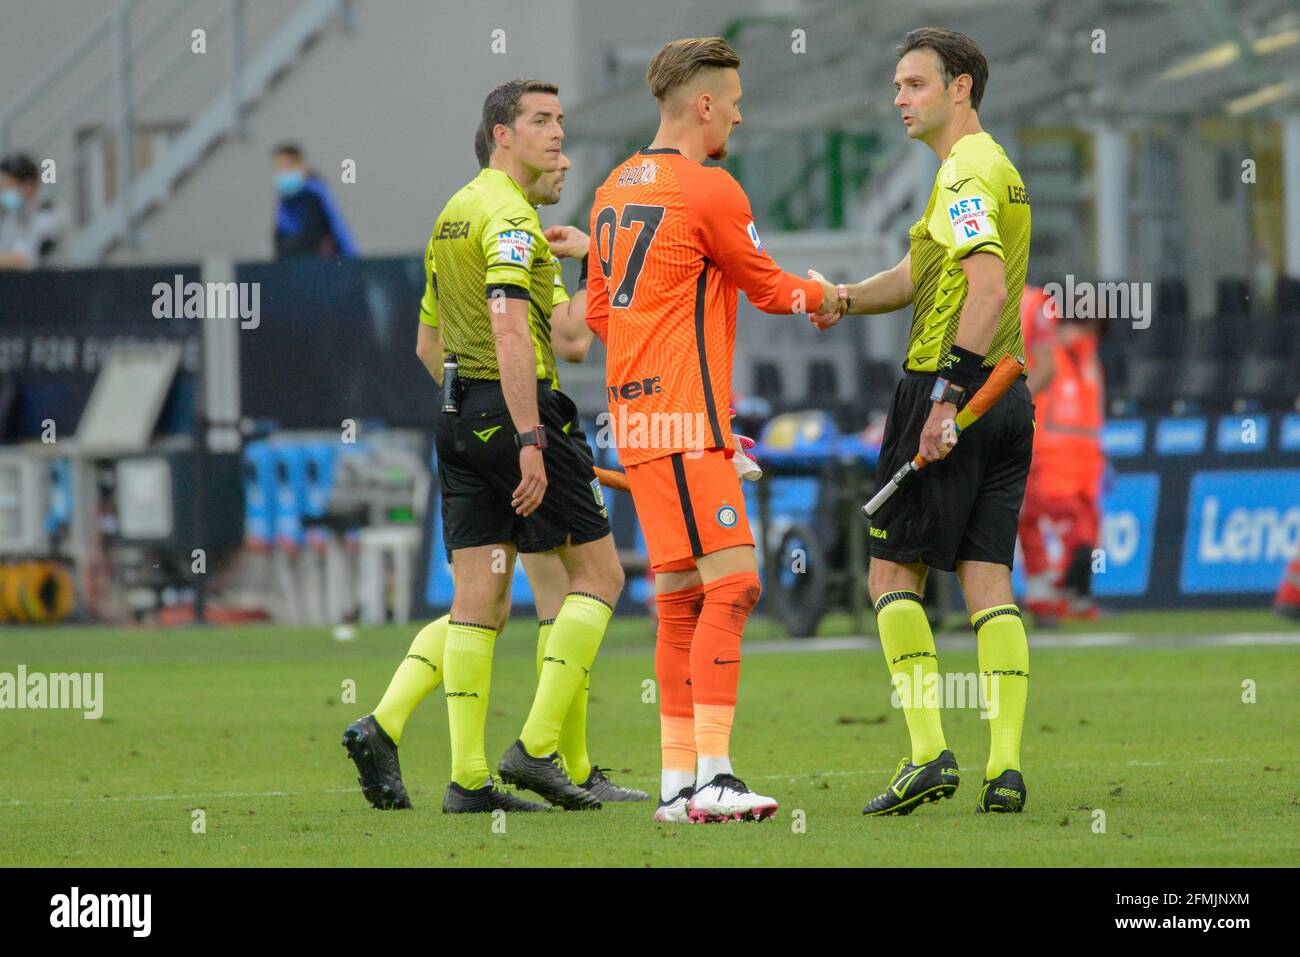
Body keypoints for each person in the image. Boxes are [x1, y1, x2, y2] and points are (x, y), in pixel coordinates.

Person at [341, 140, 646, 811]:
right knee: (580, 585)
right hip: (521, 415)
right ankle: (551, 754)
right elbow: (558, 342)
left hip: (460, 415)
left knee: (485, 600)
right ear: (506, 138)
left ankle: (432, 752)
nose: (564, 157)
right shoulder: (512, 222)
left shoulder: (453, 217)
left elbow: (429, 345)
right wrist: (523, 433)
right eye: (550, 134)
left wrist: (476, 417)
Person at [586, 37, 838, 824]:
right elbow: (767, 288)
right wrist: (831, 298)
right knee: (736, 585)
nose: (738, 112)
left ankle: (673, 784)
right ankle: (717, 776)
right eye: (731, 101)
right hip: (686, 420)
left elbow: (598, 311)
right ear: (701, 105)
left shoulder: (610, 188)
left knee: (681, 602)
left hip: (637, 419)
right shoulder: (709, 188)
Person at [809, 28, 1034, 814]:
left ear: (961, 87)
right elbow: (916, 274)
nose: (898, 99)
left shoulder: (965, 169)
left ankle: (929, 752)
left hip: (952, 393)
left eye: (913, 84)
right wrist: (842, 297)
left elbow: (987, 290)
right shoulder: (982, 169)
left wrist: (943, 399)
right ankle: (1004, 769)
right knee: (987, 581)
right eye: (897, 85)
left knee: (889, 574)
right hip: (1007, 397)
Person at [1018, 311, 1105, 622]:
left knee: (1078, 534)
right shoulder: (1049, 355)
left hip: (1079, 463)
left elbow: (1089, 413)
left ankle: (1060, 596)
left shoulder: (1085, 358)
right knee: (1053, 529)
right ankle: (1050, 596)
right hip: (1050, 459)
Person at [271, 143, 358, 259]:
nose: (282, 172)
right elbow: (278, 240)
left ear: (302, 167)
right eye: (278, 168)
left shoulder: (314, 197)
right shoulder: (286, 204)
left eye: (287, 166)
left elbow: (309, 240)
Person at [0, 152, 65, 270]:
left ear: (28, 185)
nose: (3, 192)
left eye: (8, 186)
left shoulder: (50, 215)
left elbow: (27, 259)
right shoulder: (17, 215)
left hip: (53, 284)